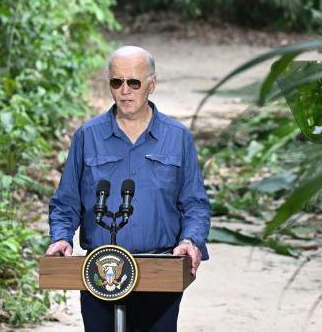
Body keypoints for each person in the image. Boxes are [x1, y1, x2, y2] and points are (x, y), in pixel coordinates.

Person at [46, 45, 211, 331]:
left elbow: (194, 203)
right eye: (116, 82)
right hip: (100, 272)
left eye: (133, 82)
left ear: (151, 84)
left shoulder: (177, 138)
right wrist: (61, 237)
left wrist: (191, 241)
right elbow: (66, 202)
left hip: (160, 270)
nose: (125, 91)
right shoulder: (88, 136)